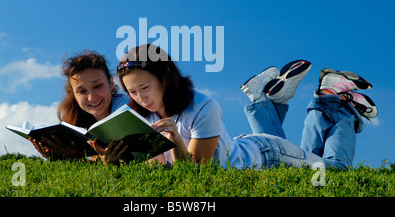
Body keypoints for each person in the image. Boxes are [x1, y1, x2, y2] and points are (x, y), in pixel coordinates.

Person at [116, 44, 378, 169]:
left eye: (145, 88)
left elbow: (193, 172)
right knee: (313, 160)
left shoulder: (202, 107)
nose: (140, 97)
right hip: (243, 146)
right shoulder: (143, 115)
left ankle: (332, 98)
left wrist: (174, 139)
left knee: (335, 170)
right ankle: (263, 99)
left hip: (266, 154)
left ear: (165, 80)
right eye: (132, 91)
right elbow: (159, 168)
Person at [30, 50, 129, 164]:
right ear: (74, 94)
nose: (91, 97)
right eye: (82, 91)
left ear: (111, 83)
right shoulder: (77, 121)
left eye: (97, 86)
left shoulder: (127, 107)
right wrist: (61, 155)